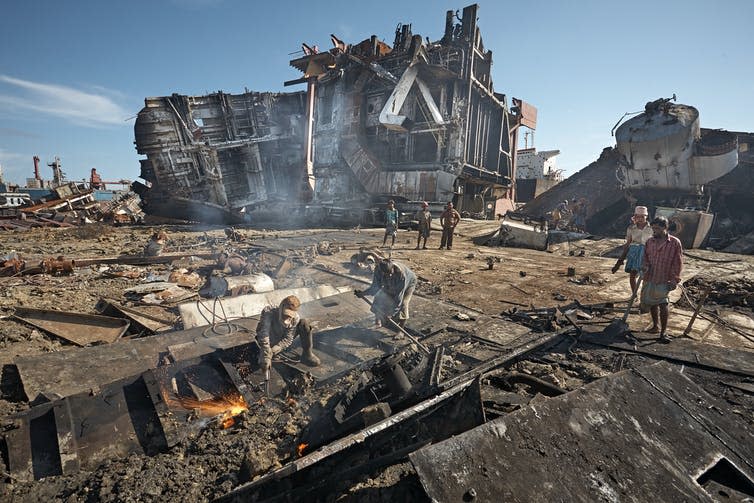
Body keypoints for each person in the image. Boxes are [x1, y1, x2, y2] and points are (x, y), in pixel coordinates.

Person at [640, 216, 683, 343]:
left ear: (665, 228)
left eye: (657, 229)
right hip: (650, 277)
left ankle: (663, 332)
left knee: (663, 304)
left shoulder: (675, 243)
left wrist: (675, 279)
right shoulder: (649, 242)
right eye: (653, 228)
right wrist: (644, 266)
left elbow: (678, 262)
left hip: (665, 278)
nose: (654, 231)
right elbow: (645, 257)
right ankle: (655, 326)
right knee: (652, 303)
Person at [256, 295, 320, 370]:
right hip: (269, 337)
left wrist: (275, 349)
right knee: (264, 351)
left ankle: (307, 355)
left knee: (304, 324)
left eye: (289, 316)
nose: (286, 318)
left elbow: (288, 338)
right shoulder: (269, 311)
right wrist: (266, 351)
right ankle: (266, 352)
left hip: (280, 340)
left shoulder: (295, 318)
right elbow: (264, 332)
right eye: (285, 314)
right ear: (281, 307)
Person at [355, 259, 416, 329]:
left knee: (403, 304)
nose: (389, 275)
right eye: (386, 274)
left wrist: (391, 313)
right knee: (379, 297)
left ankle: (400, 330)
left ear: (393, 267)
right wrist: (363, 293)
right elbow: (375, 287)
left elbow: (398, 297)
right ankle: (378, 322)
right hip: (393, 280)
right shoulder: (378, 271)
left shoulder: (401, 275)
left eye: (390, 273)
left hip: (409, 283)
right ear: (381, 271)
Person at [611, 206, 652, 294]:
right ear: (635, 217)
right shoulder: (631, 228)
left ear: (646, 217)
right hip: (633, 252)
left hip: (646, 253)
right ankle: (634, 294)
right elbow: (628, 243)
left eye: (642, 217)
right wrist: (620, 260)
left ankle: (645, 295)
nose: (640, 219)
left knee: (646, 275)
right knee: (633, 274)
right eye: (638, 216)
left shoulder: (651, 228)